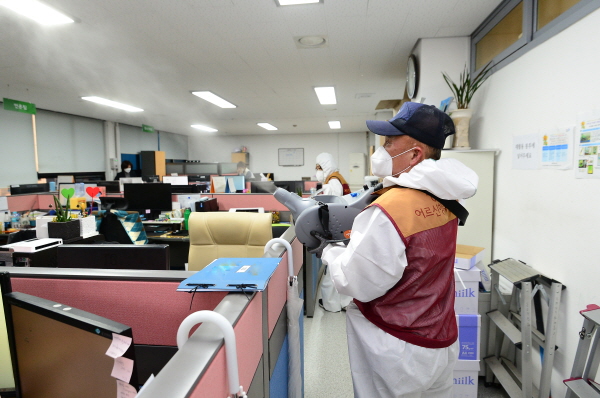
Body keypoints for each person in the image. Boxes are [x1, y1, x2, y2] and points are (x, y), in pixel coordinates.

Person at [321, 102, 479, 398]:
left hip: (397, 348)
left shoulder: (390, 209)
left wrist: (330, 252)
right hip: (440, 338)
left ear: (415, 154)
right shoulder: (446, 199)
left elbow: (356, 283)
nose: (381, 150)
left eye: (390, 142)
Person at [314, 152, 353, 312]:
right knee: (343, 265)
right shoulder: (338, 178)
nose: (316, 171)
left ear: (325, 166)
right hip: (344, 227)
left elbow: (332, 205)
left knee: (333, 264)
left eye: (318, 168)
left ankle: (331, 304)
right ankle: (344, 302)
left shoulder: (333, 181)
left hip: (337, 228)